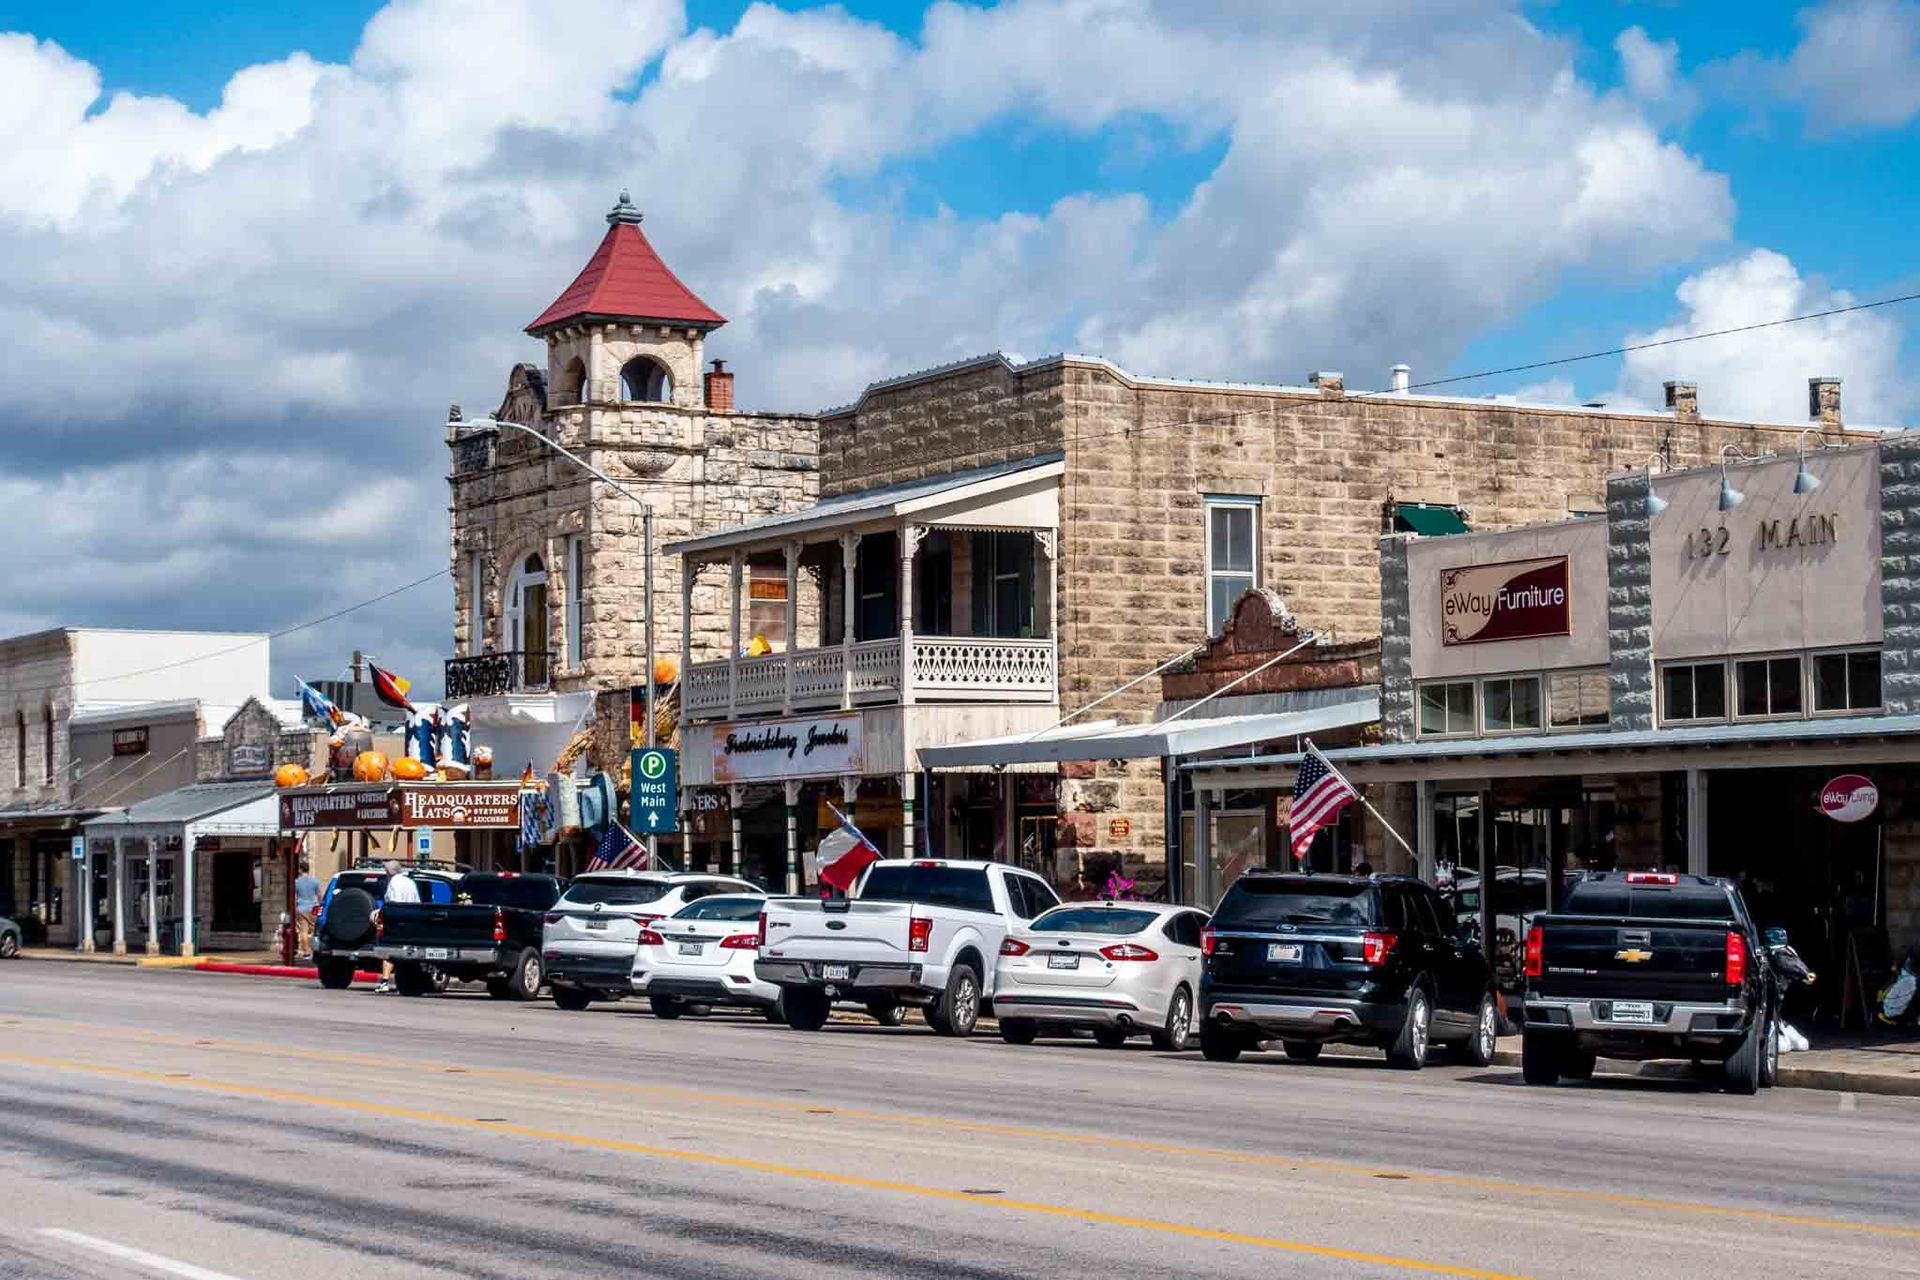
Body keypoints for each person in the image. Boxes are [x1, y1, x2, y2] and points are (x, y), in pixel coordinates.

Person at [374, 859, 420, 993]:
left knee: (389, 951)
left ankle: (385, 981)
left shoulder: (394, 883)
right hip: (412, 920)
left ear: (389, 872)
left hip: (397, 921)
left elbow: (394, 904)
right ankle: (408, 981)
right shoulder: (410, 882)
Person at [293, 860, 321, 959]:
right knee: (314, 932)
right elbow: (319, 895)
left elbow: (295, 896)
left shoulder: (296, 882)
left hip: (301, 908)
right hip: (313, 908)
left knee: (303, 931)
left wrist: (295, 907)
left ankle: (307, 952)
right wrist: (320, 905)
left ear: (300, 869)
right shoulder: (315, 881)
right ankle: (315, 951)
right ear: (308, 869)